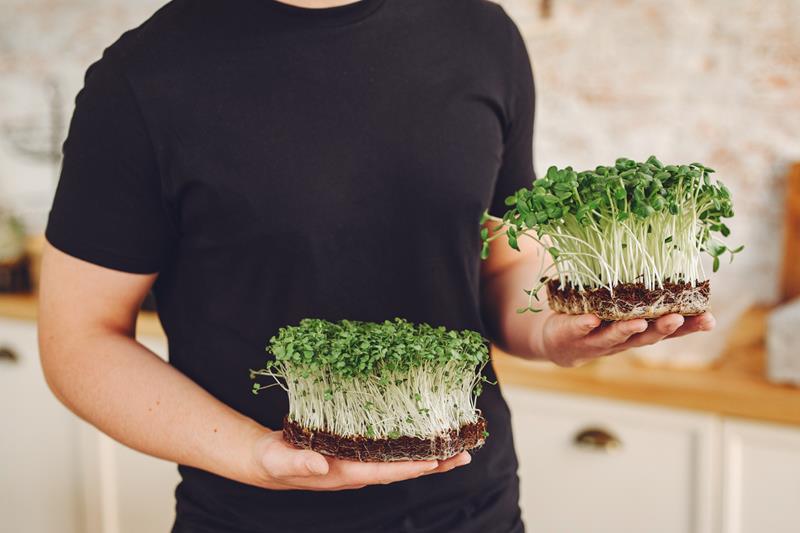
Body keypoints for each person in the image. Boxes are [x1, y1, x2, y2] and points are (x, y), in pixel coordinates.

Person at [38, 0, 716, 532]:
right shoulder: (145, 79)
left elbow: (497, 262)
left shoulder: (482, 36)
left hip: (473, 508)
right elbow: (79, 340)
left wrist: (553, 333)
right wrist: (257, 454)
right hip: (253, 518)